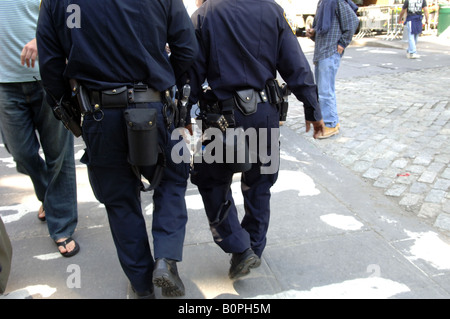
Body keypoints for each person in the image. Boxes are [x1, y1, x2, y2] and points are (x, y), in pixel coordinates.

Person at [37, 0, 197, 298]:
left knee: (121, 201)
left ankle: (141, 285)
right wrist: (160, 79)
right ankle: (165, 258)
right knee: (172, 182)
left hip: (99, 113)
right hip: (153, 107)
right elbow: (187, 47)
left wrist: (74, 109)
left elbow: (50, 65)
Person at [187, 0, 324, 280]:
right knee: (259, 185)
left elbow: (190, 73)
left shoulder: (203, 15)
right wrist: (312, 107)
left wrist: (180, 116)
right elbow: (295, 63)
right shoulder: (271, 10)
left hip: (222, 118)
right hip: (264, 113)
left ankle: (239, 247)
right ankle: (253, 249)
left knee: (212, 182)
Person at [0, 0, 79, 257]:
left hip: (48, 78)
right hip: (4, 84)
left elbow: (72, 20)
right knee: (21, 153)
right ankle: (50, 196)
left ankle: (63, 225)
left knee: (59, 155)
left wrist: (42, 40)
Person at [306, 0, 359, 139]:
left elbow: (353, 21)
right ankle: (329, 120)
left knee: (325, 91)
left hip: (329, 52)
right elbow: (323, 29)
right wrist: (313, 32)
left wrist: (343, 43)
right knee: (323, 90)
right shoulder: (323, 3)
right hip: (322, 52)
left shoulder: (336, 1)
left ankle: (331, 124)